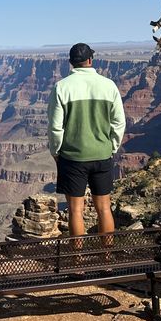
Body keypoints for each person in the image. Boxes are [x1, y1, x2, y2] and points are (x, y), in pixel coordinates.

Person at [47, 43, 125, 240]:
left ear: (71, 63)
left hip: (73, 157)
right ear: (91, 60)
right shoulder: (109, 86)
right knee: (104, 208)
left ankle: (78, 263)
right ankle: (106, 260)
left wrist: (56, 152)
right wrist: (111, 147)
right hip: (102, 155)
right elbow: (119, 123)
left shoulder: (61, 87)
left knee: (75, 211)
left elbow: (56, 127)